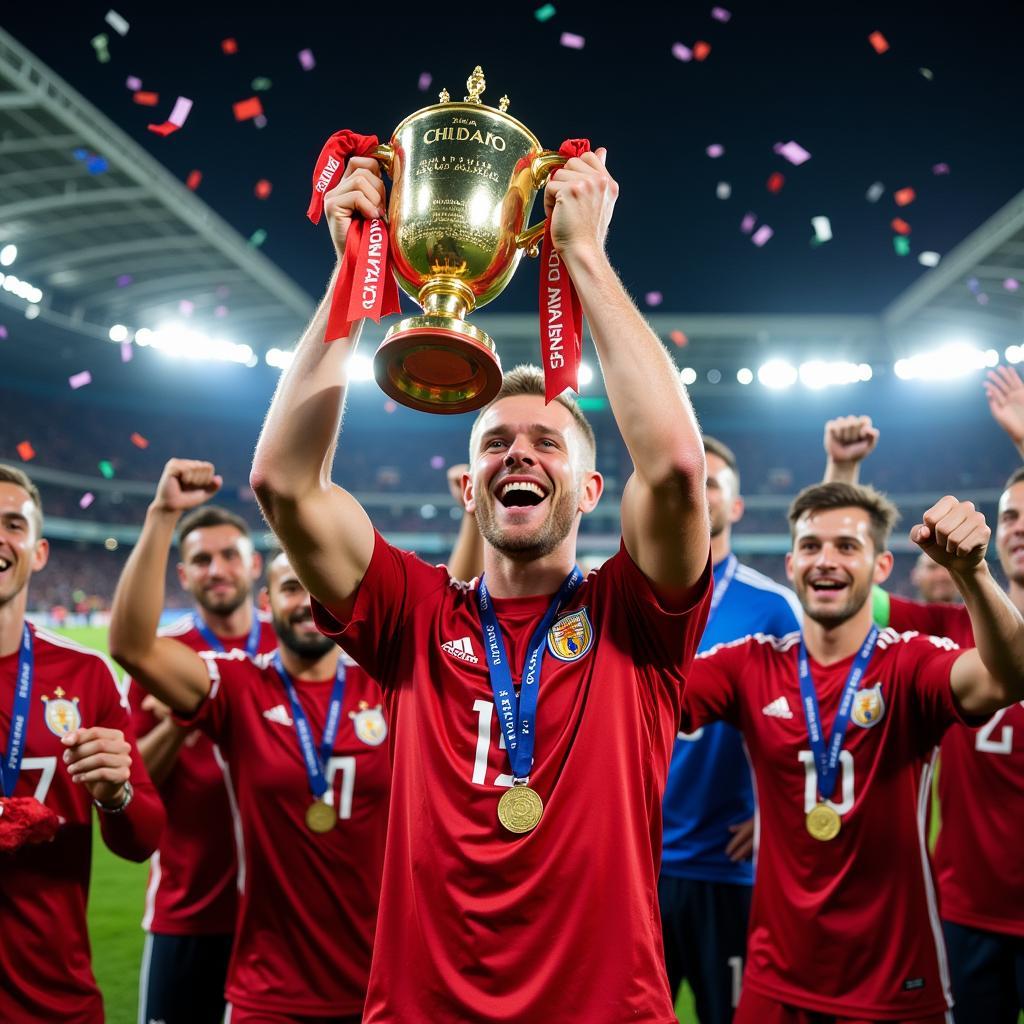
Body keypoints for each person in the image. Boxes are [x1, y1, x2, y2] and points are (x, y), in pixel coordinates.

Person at [250, 148, 712, 1022]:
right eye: (494, 444)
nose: (519, 455)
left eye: (548, 445)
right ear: (468, 489)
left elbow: (680, 468)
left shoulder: (635, 615)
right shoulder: (413, 615)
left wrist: (585, 256)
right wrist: (355, 274)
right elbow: (284, 483)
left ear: (589, 491)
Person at [681, 478, 1024, 1023]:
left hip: (894, 983)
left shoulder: (910, 663)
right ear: (791, 564)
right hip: (776, 977)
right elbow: (647, 699)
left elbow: (1009, 678)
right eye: (812, 546)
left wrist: (972, 573)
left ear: (881, 567)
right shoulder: (750, 664)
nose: (827, 561)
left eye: (848, 546)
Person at [109, 459, 390, 1024]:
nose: (308, 600)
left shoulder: (388, 683)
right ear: (268, 602)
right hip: (264, 981)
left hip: (380, 978)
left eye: (321, 585)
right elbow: (133, 648)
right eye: (291, 586)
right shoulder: (240, 682)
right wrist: (163, 514)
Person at [824, 398, 1024, 1024]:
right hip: (966, 911)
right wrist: (841, 471)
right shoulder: (945, 630)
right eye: (1010, 515)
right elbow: (845, 588)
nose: (1019, 526)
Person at [0, 463, 164, 1024]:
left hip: (54, 1000)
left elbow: (144, 837)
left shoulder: (87, 674)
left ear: (39, 552)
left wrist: (116, 794)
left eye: (12, 524)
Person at [659, 435, 801, 1022]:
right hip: (641, 863)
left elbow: (815, 723)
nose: (700, 491)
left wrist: (777, 815)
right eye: (690, 480)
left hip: (729, 864)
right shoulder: (634, 598)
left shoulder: (774, 608)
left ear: (736, 507)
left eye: (713, 481)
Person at [126, 504, 277, 1024]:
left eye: (229, 555)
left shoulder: (297, 644)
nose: (217, 569)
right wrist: (183, 718)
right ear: (184, 574)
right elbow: (131, 782)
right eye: (202, 559)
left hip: (283, 914)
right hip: (189, 912)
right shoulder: (161, 657)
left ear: (253, 564)